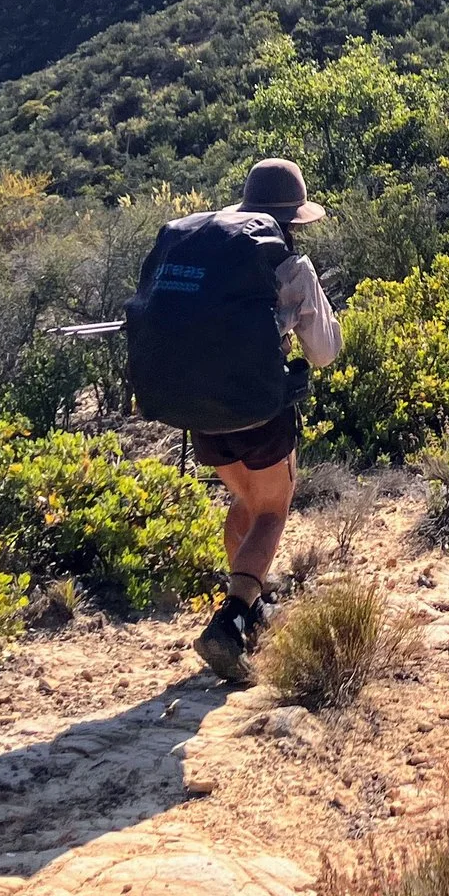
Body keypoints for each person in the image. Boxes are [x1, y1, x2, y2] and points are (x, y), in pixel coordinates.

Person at [184, 159, 340, 682]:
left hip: (198, 410)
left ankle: (250, 599)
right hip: (258, 410)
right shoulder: (290, 267)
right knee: (273, 510)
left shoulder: (211, 257)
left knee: (245, 499)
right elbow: (323, 352)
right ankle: (230, 621)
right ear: (294, 219)